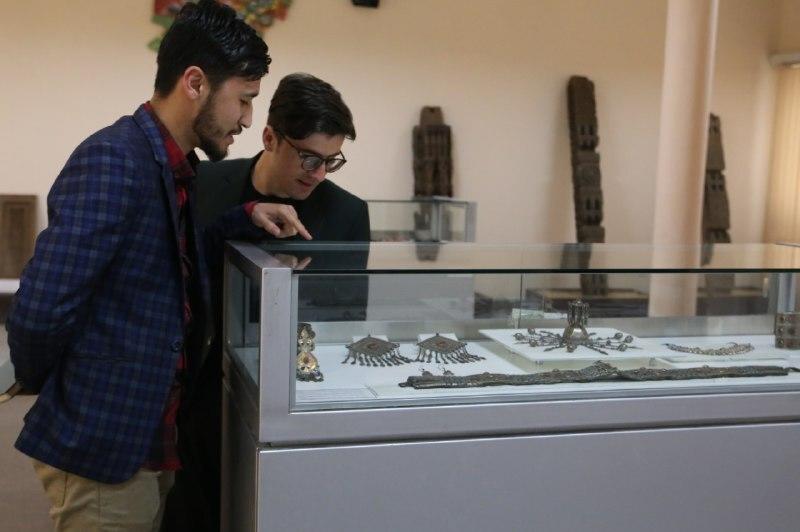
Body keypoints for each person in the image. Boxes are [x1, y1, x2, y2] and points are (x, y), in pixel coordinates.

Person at [5, 2, 276, 530]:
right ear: (195, 82)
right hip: (105, 446)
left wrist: (244, 215)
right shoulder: (114, 159)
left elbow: (161, 256)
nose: (247, 119)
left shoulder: (172, 164)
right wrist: (70, 393)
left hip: (150, 438)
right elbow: (37, 313)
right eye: (243, 100)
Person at [162, 72, 370, 532]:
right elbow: (174, 278)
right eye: (309, 158)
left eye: (331, 162)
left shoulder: (347, 213)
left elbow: (350, 317)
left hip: (287, 405)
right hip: (198, 395)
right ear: (270, 136)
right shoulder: (206, 183)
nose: (317, 175)